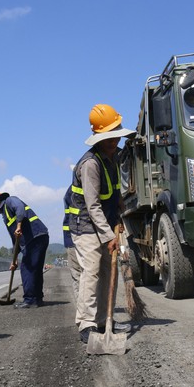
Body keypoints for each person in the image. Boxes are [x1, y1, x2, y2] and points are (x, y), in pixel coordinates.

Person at [69, 103, 135, 344]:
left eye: (115, 138)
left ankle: (102, 319)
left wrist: (121, 210)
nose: (113, 143)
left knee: (109, 271)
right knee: (93, 269)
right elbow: (93, 205)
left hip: (107, 223)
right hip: (85, 225)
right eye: (108, 139)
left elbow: (115, 190)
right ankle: (86, 323)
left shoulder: (112, 158)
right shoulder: (90, 165)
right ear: (98, 138)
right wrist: (108, 237)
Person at [0, 192, 50, 308]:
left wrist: (19, 225)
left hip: (34, 236)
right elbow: (15, 240)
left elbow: (20, 208)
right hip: (39, 236)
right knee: (35, 269)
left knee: (27, 268)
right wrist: (14, 260)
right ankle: (37, 299)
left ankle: (30, 300)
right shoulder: (6, 215)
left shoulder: (10, 201)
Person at [62, 186, 81, 301]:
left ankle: (85, 311)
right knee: (79, 275)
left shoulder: (71, 191)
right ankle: (84, 311)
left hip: (73, 238)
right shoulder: (74, 192)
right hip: (75, 239)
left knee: (79, 275)